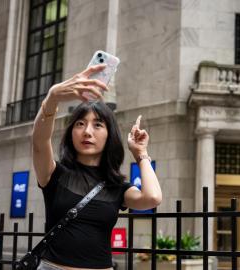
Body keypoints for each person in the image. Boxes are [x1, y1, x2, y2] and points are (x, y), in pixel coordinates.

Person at [32, 64, 162, 270]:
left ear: (109, 134)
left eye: (98, 124)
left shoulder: (117, 187)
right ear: (71, 132)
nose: (87, 132)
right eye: (80, 124)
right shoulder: (55, 174)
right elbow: (39, 142)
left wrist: (140, 154)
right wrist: (52, 98)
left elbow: (153, 198)